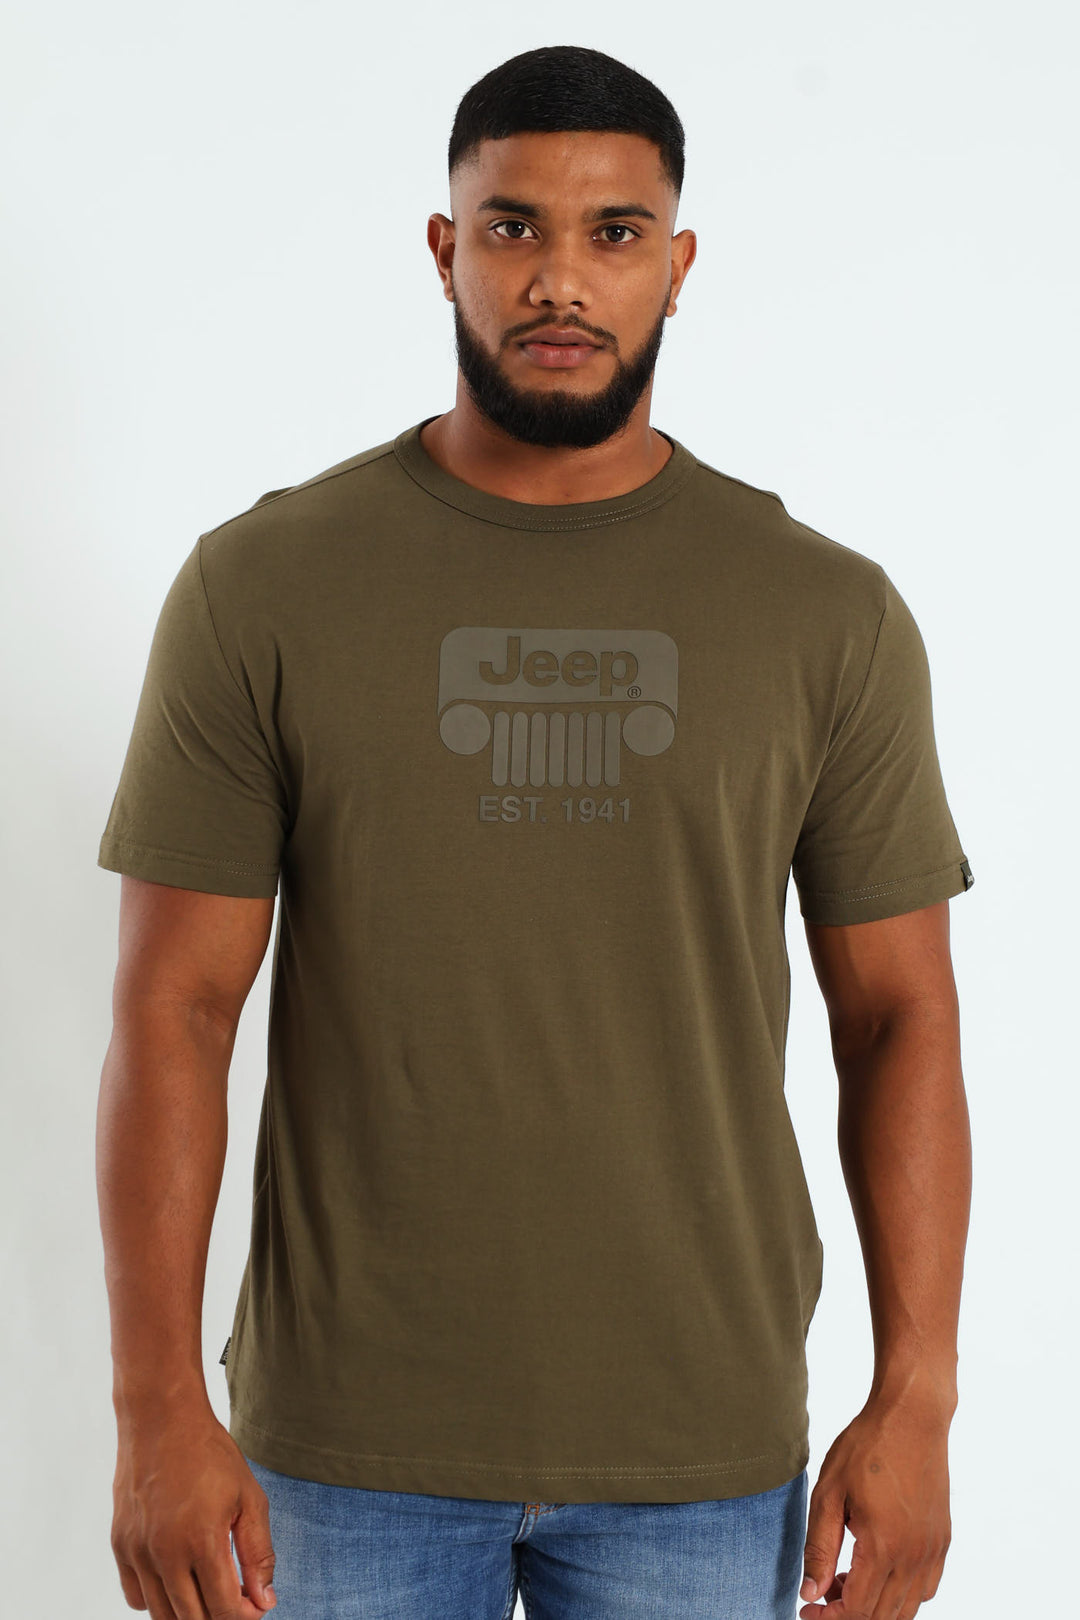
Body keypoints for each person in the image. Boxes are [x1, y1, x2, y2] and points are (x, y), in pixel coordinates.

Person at [95, 43, 974, 1620]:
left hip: (698, 1448)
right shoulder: (263, 587)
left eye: (614, 233)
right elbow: (176, 1009)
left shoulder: (822, 615)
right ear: (446, 249)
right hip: (340, 1450)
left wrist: (916, 1400)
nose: (560, 279)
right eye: (513, 228)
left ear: (678, 265)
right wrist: (155, 1407)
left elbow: (901, 1016)